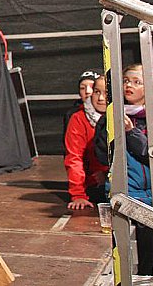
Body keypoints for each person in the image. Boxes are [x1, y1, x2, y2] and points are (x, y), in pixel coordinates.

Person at [94, 65, 153, 276]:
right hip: (124, 194)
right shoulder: (110, 116)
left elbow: (149, 152)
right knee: (122, 254)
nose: (129, 85)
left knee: (150, 254)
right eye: (125, 81)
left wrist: (130, 132)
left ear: (150, 87)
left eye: (136, 82)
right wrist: (109, 125)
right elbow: (100, 153)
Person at [64, 71, 108, 209]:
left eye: (106, 93)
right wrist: (78, 195)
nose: (100, 98)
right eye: (96, 92)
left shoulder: (128, 116)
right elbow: (74, 158)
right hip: (95, 184)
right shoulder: (78, 118)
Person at [63, 70, 99, 150]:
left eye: (92, 87)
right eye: (82, 88)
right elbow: (71, 149)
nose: (87, 91)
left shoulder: (114, 111)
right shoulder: (74, 115)